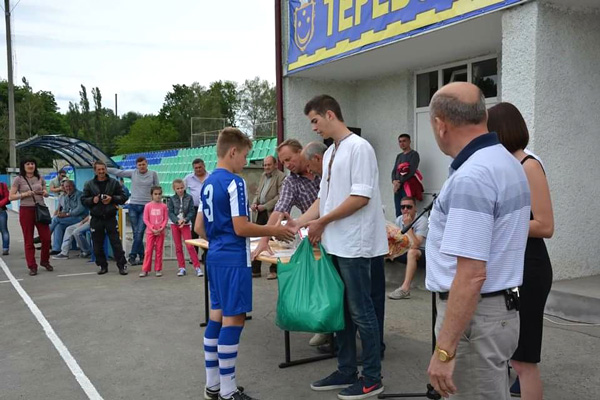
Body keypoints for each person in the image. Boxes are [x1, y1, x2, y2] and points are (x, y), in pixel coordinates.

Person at [424, 83, 531, 400]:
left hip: (475, 318)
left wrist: (444, 350)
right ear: (483, 115)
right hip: (497, 313)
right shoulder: (507, 162)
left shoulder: (473, 176)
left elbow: (471, 274)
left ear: (441, 125)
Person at [294, 95, 388, 399]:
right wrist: (300, 222)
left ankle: (372, 377)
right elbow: (325, 199)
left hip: (356, 246)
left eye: (315, 121)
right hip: (337, 244)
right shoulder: (332, 151)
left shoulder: (360, 148)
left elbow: (361, 198)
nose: (313, 127)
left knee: (362, 312)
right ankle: (346, 369)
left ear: (330, 114)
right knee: (341, 312)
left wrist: (321, 223)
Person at [195, 127, 295, 400]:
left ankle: (213, 385)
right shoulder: (234, 182)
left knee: (216, 316)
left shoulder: (207, 182)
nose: (245, 162)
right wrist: (274, 231)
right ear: (233, 152)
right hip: (232, 260)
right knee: (234, 319)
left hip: (214, 257)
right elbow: (241, 227)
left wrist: (220, 238)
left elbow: (199, 226)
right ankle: (228, 391)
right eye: (245, 156)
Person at [488, 102, 554, 400]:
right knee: (511, 355)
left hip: (531, 266)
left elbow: (545, 225)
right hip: (513, 265)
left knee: (524, 360)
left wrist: (500, 225)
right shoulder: (507, 166)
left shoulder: (529, 165)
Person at [108, 156, 159, 265]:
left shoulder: (153, 174)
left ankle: (132, 255)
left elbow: (157, 188)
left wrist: (157, 204)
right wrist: (104, 168)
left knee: (139, 232)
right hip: (134, 206)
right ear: (136, 165)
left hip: (146, 206)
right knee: (136, 233)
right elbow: (119, 172)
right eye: (139, 165)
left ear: (147, 164)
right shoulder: (133, 173)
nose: (141, 166)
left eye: (143, 164)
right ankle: (141, 256)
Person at [82, 160, 129, 275]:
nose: (102, 171)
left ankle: (121, 266)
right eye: (99, 170)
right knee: (97, 245)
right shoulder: (89, 184)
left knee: (116, 243)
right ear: (95, 171)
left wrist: (111, 198)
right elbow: (83, 200)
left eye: (103, 169)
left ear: (106, 169)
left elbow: (123, 197)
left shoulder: (114, 182)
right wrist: (93, 200)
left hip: (110, 217)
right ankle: (102, 266)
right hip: (96, 218)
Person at [9, 159, 53, 275]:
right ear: (23, 166)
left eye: (32, 163)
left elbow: (45, 190)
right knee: (28, 240)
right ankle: (32, 266)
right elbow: (11, 197)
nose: (30, 166)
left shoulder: (40, 177)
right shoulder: (18, 179)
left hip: (40, 209)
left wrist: (45, 192)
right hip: (26, 210)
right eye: (27, 164)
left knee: (46, 238)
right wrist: (25, 194)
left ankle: (44, 260)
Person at [250, 155, 285, 279]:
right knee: (257, 239)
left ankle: (274, 269)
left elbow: (280, 197)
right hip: (260, 212)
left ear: (275, 165)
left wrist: (265, 206)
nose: (266, 167)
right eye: (265, 165)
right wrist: (255, 202)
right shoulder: (263, 176)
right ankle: (255, 269)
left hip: (273, 213)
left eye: (269, 164)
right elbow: (258, 193)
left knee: (274, 241)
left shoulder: (281, 177)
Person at [387, 196, 428, 300]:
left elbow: (416, 245)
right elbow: (395, 239)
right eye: (403, 207)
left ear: (415, 208)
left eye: (409, 207)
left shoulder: (422, 221)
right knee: (382, 249)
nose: (405, 210)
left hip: (422, 252)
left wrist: (408, 225)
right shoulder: (399, 219)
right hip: (405, 250)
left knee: (412, 252)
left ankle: (405, 289)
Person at [167, 179, 203, 277]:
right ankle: (181, 267)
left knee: (190, 246)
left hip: (186, 224)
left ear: (185, 187)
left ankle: (197, 267)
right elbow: (170, 212)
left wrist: (185, 220)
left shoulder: (189, 198)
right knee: (178, 247)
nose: (180, 190)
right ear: (174, 189)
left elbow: (192, 211)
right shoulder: (172, 199)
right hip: (175, 224)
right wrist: (177, 221)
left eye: (181, 188)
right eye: (178, 188)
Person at [49, 180, 88, 258]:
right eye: (66, 186)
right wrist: (62, 214)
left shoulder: (80, 195)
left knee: (56, 219)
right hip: (71, 218)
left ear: (74, 186)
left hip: (81, 218)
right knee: (58, 226)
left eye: (70, 186)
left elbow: (80, 209)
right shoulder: (66, 196)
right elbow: (65, 209)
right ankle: (57, 249)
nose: (68, 188)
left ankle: (45, 235)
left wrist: (67, 214)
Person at [139, 186, 168, 277]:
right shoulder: (148, 206)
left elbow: (165, 219)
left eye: (159, 194)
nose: (158, 196)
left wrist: (161, 228)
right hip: (150, 232)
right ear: (151, 195)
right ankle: (145, 269)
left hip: (160, 232)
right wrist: (152, 228)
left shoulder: (164, 206)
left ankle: (158, 269)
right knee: (148, 250)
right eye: (155, 194)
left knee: (159, 250)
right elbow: (145, 219)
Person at [391, 134, 420, 217]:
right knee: (398, 209)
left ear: (409, 142)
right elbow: (394, 171)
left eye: (404, 141)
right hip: (398, 187)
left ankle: (409, 227)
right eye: (400, 141)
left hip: (407, 187)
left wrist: (399, 182)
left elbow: (411, 171)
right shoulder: (399, 156)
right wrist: (394, 181)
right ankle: (399, 229)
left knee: (407, 209)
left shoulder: (414, 155)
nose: (402, 143)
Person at [0, 180, 10, 255]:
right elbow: (7, 198)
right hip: (2, 209)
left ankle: (5, 248)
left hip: (1, 210)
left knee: (4, 230)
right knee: (4, 230)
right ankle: (5, 249)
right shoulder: (3, 185)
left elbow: (8, 197)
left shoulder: (3, 185)